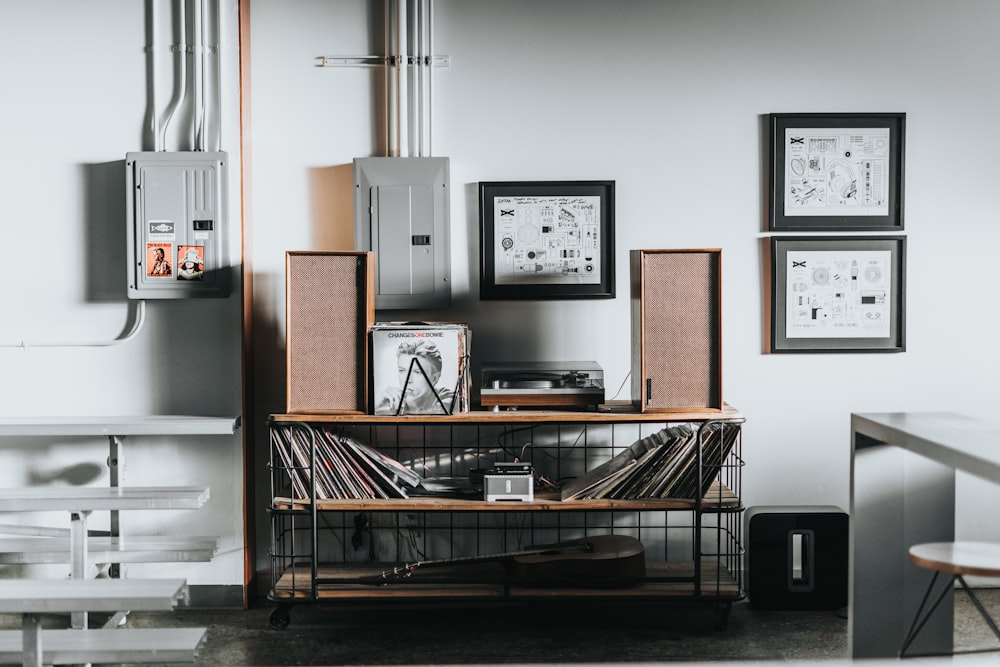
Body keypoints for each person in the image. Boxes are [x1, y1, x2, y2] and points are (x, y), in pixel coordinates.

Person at [376, 339, 455, 415]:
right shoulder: (390, 398)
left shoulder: (448, 399)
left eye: (417, 372)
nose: (408, 380)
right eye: (402, 371)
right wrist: (378, 405)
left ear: (435, 378)